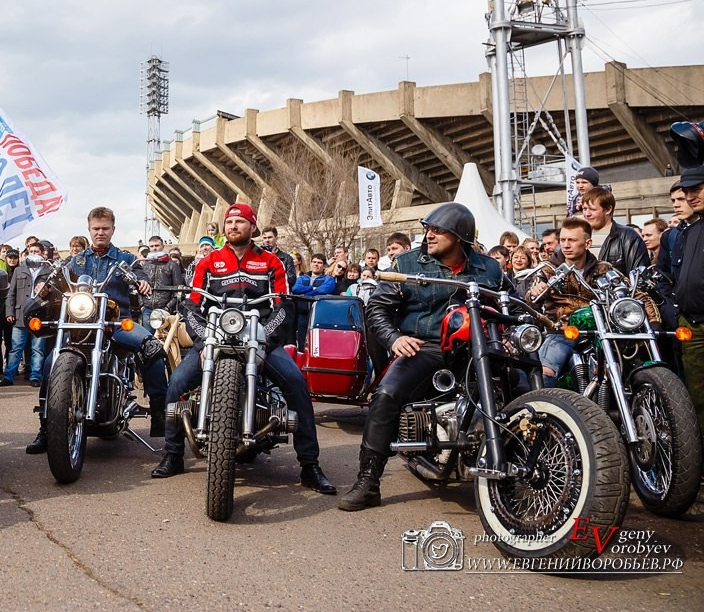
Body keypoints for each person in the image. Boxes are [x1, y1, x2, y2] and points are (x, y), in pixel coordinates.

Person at [151, 202, 335, 494]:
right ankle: (173, 454)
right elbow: (191, 305)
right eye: (229, 222)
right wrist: (203, 340)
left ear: (253, 227)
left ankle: (310, 465)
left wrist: (264, 338)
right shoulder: (208, 262)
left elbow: (283, 306)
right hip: (214, 338)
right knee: (176, 383)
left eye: (240, 222)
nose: (233, 226)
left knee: (297, 383)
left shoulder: (271, 262)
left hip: (258, 339)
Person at [338, 202, 502, 511]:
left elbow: (509, 303)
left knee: (518, 384)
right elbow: (377, 308)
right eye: (429, 229)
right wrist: (395, 338)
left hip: (476, 349)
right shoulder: (407, 264)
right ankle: (368, 481)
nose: (430, 235)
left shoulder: (489, 268)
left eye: (439, 230)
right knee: (386, 394)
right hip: (426, 347)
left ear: (460, 236)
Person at [26, 206, 168, 455]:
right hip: (80, 325)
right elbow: (56, 278)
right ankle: (47, 427)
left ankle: (159, 412)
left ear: (113, 229)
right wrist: (43, 285)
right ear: (89, 229)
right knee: (51, 363)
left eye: (105, 228)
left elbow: (139, 273)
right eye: (96, 228)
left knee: (153, 348)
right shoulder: (77, 260)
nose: (100, 232)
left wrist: (142, 282)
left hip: (115, 323)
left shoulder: (125, 259)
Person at [526, 218, 613, 387]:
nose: (566, 245)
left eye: (572, 240)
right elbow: (530, 299)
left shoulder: (603, 269)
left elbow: (632, 293)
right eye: (563, 240)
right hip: (560, 331)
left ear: (587, 243)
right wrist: (536, 292)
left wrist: (654, 322)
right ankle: (543, 403)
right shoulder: (548, 269)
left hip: (597, 332)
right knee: (545, 372)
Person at [668, 167, 704, 436]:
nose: (690, 196)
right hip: (690, 324)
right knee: (697, 396)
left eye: (697, 189)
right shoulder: (689, 231)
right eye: (687, 191)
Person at [2, 240, 52, 387]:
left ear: (42, 253)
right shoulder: (19, 270)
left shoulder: (48, 271)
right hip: (20, 315)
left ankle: (35, 376)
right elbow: (11, 293)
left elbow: (53, 295)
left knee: (38, 348)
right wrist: (9, 312)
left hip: (39, 316)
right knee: (16, 348)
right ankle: (8, 376)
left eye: (37, 252)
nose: (34, 254)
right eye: (31, 251)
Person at [579, 186, 649, 274]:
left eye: (592, 209)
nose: (587, 214)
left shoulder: (628, 236)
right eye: (584, 209)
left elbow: (639, 275)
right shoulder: (579, 236)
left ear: (608, 209)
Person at [141, 235, 184, 328]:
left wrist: (168, 307)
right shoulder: (145, 266)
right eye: (152, 246)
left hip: (165, 309)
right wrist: (142, 304)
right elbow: (138, 287)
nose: (154, 248)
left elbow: (179, 290)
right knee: (147, 335)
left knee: (165, 336)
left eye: (157, 245)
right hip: (147, 309)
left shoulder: (172, 265)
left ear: (163, 246)